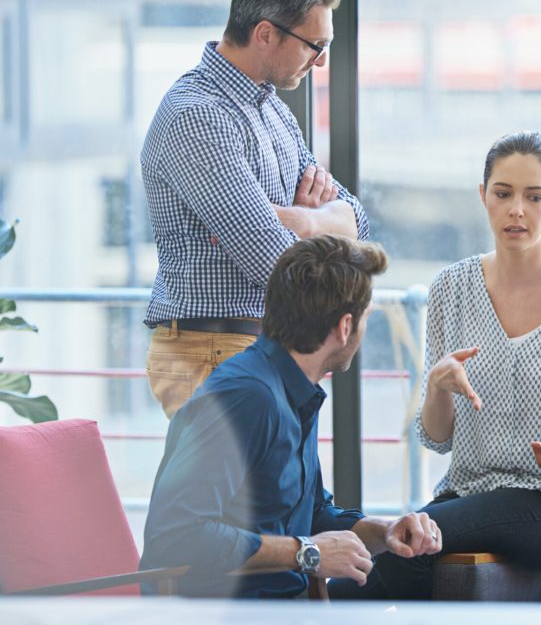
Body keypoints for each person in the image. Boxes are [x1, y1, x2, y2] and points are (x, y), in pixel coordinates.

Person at [329, 131, 541, 600]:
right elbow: (437, 437)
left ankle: (317, 611)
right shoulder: (451, 287)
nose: (517, 210)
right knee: (412, 547)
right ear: (482, 195)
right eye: (503, 193)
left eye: (535, 197)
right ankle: (327, 618)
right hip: (466, 497)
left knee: (406, 539)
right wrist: (435, 388)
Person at [140, 235, 441, 598]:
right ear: (345, 327)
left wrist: (385, 531)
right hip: (222, 624)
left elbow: (308, 513)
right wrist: (307, 552)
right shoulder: (246, 396)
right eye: (366, 318)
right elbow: (176, 536)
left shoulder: (294, 387)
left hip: (284, 615)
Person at [141, 0, 369, 418]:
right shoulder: (198, 117)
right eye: (313, 45)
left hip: (259, 347)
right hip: (214, 350)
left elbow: (358, 221)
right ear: (265, 34)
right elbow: (274, 264)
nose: (321, 62)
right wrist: (317, 233)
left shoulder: (272, 111)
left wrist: (301, 220)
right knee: (240, 494)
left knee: (282, 493)